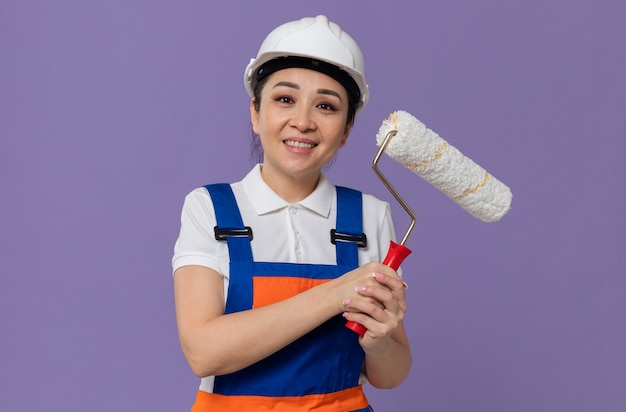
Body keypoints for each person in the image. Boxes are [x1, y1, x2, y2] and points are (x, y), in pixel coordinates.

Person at [172, 15, 411, 412]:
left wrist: (379, 341)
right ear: (255, 111)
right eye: (285, 99)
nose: (302, 121)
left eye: (326, 106)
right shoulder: (209, 208)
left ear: (347, 128)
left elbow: (391, 374)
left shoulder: (372, 215)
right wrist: (337, 293)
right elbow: (204, 352)